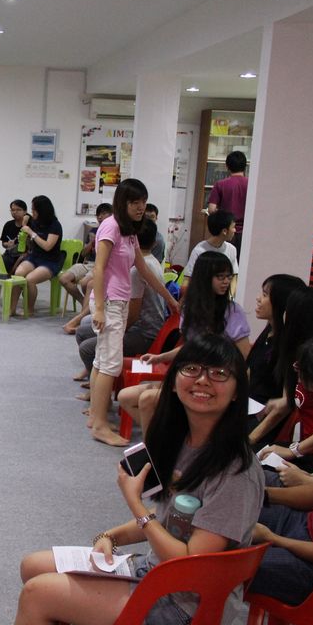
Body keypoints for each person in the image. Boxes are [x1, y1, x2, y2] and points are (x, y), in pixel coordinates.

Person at [5, 335, 263, 625]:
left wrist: (136, 506)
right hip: (157, 573)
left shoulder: (236, 472)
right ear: (174, 382)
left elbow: (189, 564)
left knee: (38, 594)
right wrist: (110, 536)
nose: (202, 380)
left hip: (186, 609)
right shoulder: (182, 440)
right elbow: (168, 519)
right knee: (33, 566)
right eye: (192, 369)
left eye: (219, 373)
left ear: (238, 390)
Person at [249, 335, 313, 615]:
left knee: (226, 561)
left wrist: (275, 539)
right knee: (227, 510)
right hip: (310, 528)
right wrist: (263, 495)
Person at [86, 180, 179, 448]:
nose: (141, 207)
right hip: (109, 302)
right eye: (135, 203)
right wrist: (100, 308)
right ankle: (100, 425)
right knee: (111, 364)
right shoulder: (111, 227)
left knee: (102, 361)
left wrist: (170, 299)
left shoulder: (129, 231)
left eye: (143, 202)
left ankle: (95, 417)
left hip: (118, 301)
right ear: (123, 202)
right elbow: (99, 268)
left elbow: (144, 269)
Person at [119, 251, 251, 435]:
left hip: (214, 380)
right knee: (125, 397)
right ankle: (166, 440)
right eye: (220, 277)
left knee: (147, 400)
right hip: (190, 375)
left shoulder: (233, 312)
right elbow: (190, 347)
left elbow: (243, 356)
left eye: (228, 277)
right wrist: (159, 358)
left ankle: (164, 443)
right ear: (205, 278)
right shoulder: (191, 308)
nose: (226, 282)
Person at [74, 218, 166, 398]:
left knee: (93, 350)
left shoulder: (136, 270)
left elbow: (133, 316)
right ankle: (95, 385)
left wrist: (114, 333)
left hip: (143, 332)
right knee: (85, 330)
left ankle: (99, 395)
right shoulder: (152, 261)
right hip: (124, 315)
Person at [248, 287, 313, 448]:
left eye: (289, 309)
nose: (284, 314)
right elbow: (288, 399)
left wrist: (295, 451)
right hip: (303, 444)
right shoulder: (296, 350)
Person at [246, 274, 306, 406]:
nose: (258, 298)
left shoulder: (290, 344)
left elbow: (286, 400)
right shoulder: (269, 331)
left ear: (281, 302)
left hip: (264, 410)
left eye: (265, 295)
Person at [9, 195, 63, 317]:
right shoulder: (35, 222)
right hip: (35, 257)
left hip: (50, 261)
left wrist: (32, 233)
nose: (32, 212)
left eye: (34, 209)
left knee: (30, 279)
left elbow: (48, 246)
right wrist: (25, 228)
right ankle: (12, 308)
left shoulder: (55, 225)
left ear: (42, 211)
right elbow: (30, 239)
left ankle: (30, 309)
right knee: (18, 274)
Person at [59, 203, 113, 312]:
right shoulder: (93, 231)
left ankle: (86, 309)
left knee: (85, 283)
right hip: (88, 263)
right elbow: (83, 254)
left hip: (101, 265)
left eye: (103, 214)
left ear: (111, 215)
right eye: (98, 214)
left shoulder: (113, 232)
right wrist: (92, 243)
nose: (100, 217)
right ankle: (84, 303)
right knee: (63, 279)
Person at [207, 150, 249, 259]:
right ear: (245, 166)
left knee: (223, 262)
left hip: (225, 232)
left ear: (227, 166)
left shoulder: (220, 184)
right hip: (246, 232)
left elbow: (211, 209)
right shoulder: (251, 184)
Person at [182, 209, 238, 287]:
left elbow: (234, 276)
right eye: (233, 227)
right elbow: (188, 278)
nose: (235, 230)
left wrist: (231, 293)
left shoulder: (232, 249)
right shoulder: (199, 250)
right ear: (224, 231)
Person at [0, 199, 31, 273]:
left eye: (18, 210)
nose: (15, 212)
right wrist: (7, 244)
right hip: (11, 253)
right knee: (3, 260)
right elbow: (3, 243)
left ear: (25, 211)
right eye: (12, 210)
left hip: (26, 254)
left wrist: (24, 223)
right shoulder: (8, 225)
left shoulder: (31, 224)